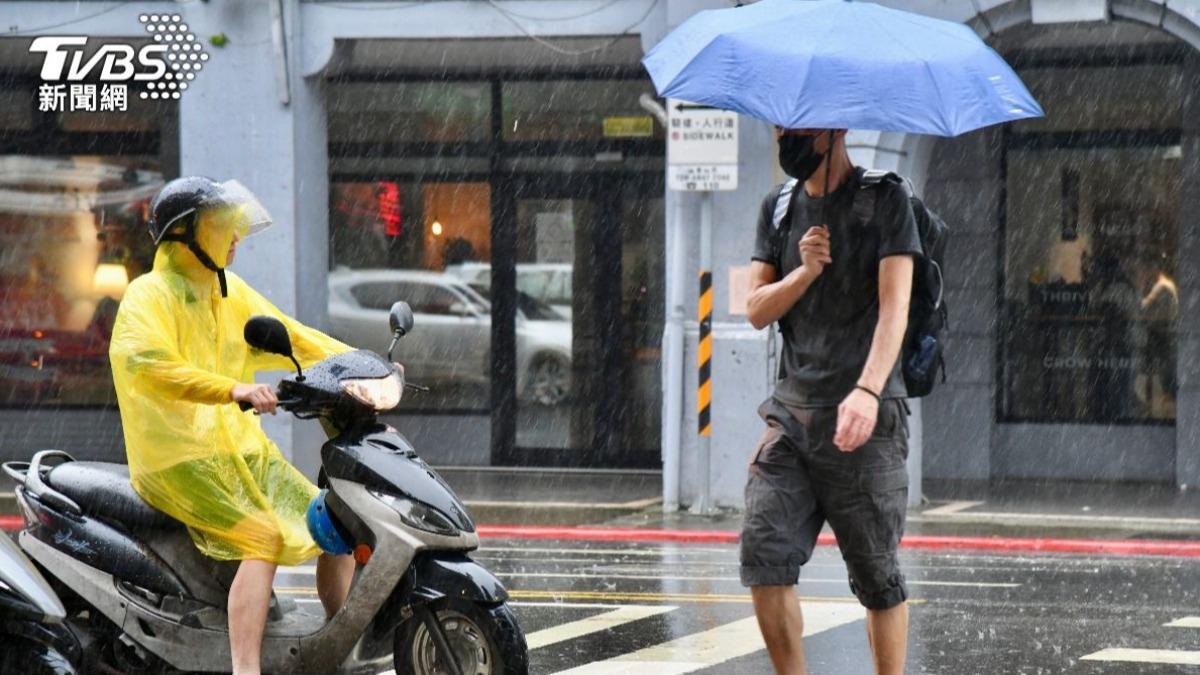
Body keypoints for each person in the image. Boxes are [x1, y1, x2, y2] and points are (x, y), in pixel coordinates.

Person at [108, 176, 357, 675]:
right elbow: (149, 364)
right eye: (224, 226)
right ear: (187, 234)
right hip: (175, 458)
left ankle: (342, 646)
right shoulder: (148, 296)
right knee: (261, 537)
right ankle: (246, 669)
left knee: (336, 520)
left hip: (236, 448)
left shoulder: (229, 292)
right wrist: (233, 389)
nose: (235, 236)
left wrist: (359, 364)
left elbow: (294, 335)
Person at [741, 128, 920, 675]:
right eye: (778, 128)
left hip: (866, 421)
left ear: (834, 130)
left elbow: (896, 309)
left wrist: (866, 391)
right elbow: (754, 308)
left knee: (878, 578)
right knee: (763, 555)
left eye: (797, 128)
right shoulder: (778, 207)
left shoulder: (886, 199)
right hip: (791, 418)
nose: (784, 136)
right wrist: (804, 271)